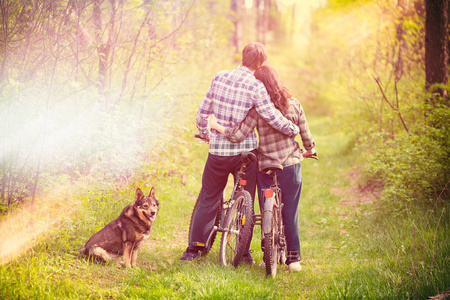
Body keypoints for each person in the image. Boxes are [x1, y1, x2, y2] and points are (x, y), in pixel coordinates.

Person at [179, 43, 300, 262]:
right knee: (246, 199)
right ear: (261, 63)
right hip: (246, 155)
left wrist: (204, 131)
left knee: (209, 196)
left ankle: (193, 249)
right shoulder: (256, 86)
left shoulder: (219, 77)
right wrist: (292, 128)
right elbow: (271, 116)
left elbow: (203, 110)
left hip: (218, 153)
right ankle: (243, 252)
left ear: (243, 57)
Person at [209, 65, 316, 272]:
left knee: (267, 207)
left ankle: (268, 253)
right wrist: (310, 149)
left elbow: (237, 135)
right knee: (290, 212)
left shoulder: (258, 109)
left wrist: (216, 126)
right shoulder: (294, 104)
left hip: (266, 167)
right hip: (291, 165)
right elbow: (306, 135)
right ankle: (294, 259)